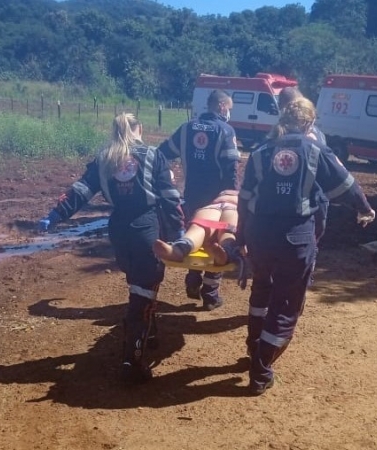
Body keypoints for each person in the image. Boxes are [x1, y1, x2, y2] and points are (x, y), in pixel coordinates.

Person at [236, 98, 376, 395]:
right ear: (310, 124)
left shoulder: (259, 152)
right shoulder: (315, 150)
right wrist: (364, 208)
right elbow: (347, 184)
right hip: (294, 238)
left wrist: (240, 236)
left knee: (262, 287)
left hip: (259, 234)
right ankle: (260, 369)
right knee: (286, 304)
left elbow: (244, 198)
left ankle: (253, 346)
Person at [38, 113, 185, 384]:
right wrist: (179, 236)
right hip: (146, 227)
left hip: (118, 230)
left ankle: (148, 332)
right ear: (139, 129)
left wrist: (55, 215)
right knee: (142, 294)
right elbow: (170, 198)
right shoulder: (152, 155)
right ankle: (132, 361)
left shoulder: (105, 158)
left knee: (138, 286)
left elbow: (80, 191)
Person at [158, 89, 240, 310]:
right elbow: (231, 166)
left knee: (197, 235)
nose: (229, 113)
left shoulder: (186, 128)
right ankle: (210, 294)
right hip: (217, 197)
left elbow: (162, 153)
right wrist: (232, 194)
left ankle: (193, 280)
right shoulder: (226, 130)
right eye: (229, 108)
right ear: (222, 106)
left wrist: (165, 176)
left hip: (192, 194)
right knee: (217, 240)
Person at [153, 190, 239, 267]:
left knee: (225, 230)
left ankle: (225, 252)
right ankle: (178, 250)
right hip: (220, 207)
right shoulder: (239, 192)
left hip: (228, 207)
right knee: (201, 227)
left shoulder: (233, 193)